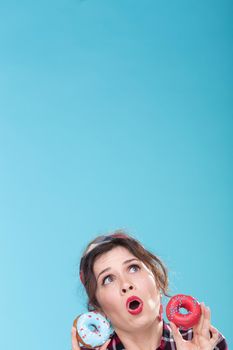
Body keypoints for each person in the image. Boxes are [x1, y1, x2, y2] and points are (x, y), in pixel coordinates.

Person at [71, 230, 228, 350]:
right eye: (108, 279)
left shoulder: (203, 341)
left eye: (133, 268)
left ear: (157, 281)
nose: (126, 284)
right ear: (99, 308)